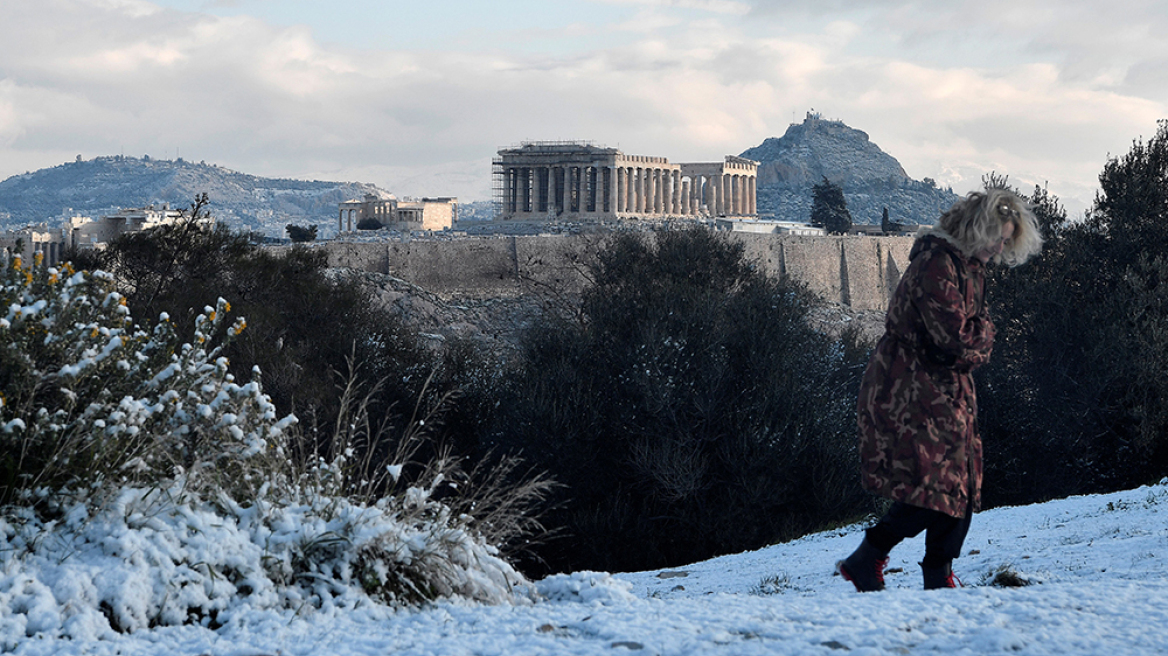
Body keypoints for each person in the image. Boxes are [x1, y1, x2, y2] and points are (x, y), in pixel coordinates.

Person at [837, 187, 1043, 591]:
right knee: (932, 487)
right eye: (997, 237)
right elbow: (958, 339)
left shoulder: (968, 268)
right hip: (909, 390)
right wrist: (984, 334)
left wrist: (976, 337)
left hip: (945, 389)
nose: (1000, 248)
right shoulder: (937, 265)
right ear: (974, 229)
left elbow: (965, 337)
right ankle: (873, 555)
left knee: (959, 484)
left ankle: (933, 572)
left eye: (1006, 241)